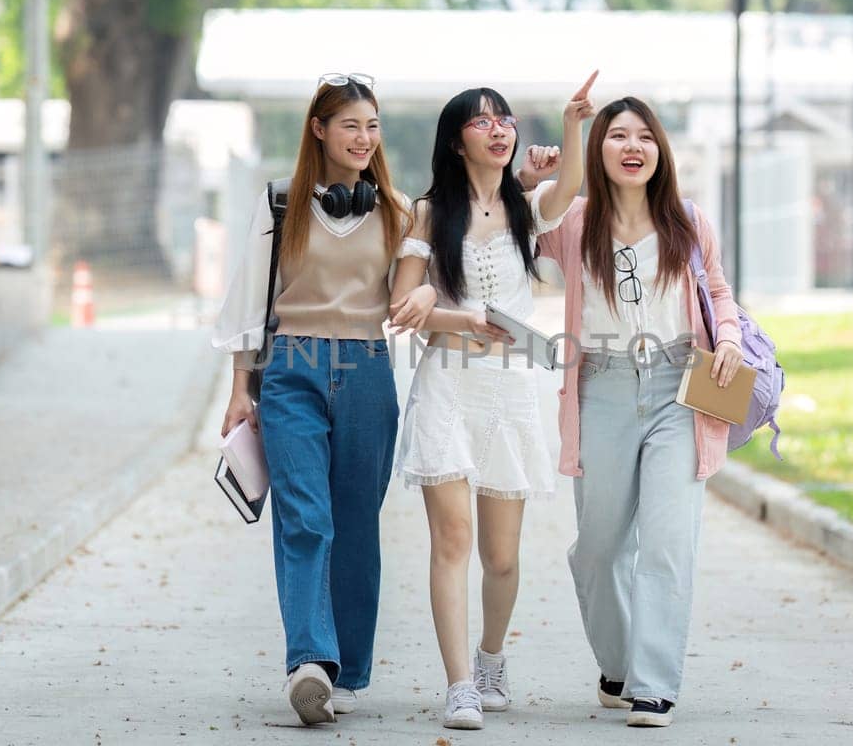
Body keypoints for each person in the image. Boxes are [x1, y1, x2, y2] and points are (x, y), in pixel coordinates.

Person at [213, 73, 433, 725]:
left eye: (372, 126)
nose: (364, 138)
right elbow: (249, 300)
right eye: (349, 125)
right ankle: (308, 661)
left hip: (367, 369)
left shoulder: (398, 208)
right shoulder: (281, 204)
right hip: (292, 370)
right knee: (306, 517)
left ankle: (343, 667)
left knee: (357, 525)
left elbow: (425, 284)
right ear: (319, 130)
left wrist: (425, 292)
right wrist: (236, 392)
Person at [387, 74, 596, 730]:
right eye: (482, 121)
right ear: (456, 143)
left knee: (502, 557)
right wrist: (461, 317)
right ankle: (459, 686)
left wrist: (573, 124)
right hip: (446, 385)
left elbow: (571, 186)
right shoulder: (427, 215)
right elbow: (404, 307)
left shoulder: (527, 209)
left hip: (509, 392)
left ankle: (491, 658)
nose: (499, 128)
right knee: (452, 539)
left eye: (504, 119)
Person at [534, 96, 744, 729]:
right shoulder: (573, 222)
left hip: (682, 388)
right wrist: (544, 167)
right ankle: (619, 664)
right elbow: (515, 231)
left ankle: (654, 685)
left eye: (644, 136)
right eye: (617, 135)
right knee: (598, 548)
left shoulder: (688, 219)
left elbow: (718, 290)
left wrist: (728, 339)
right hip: (601, 385)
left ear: (660, 149)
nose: (633, 147)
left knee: (667, 541)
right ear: (598, 150)